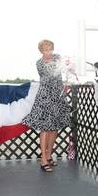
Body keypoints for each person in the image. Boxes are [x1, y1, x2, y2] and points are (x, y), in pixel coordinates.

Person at [22, 39, 71, 172]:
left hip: (58, 96)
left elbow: (67, 69)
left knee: (54, 127)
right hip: (45, 96)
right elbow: (50, 75)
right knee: (45, 127)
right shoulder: (39, 63)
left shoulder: (58, 58)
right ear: (41, 51)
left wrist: (67, 79)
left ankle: (49, 155)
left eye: (50, 49)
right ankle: (43, 159)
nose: (49, 52)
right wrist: (60, 66)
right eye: (46, 49)